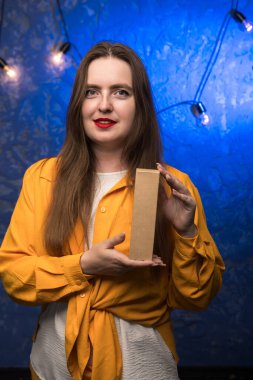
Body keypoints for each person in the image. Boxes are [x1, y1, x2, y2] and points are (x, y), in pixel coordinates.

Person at [0, 41, 225, 380]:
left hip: (142, 367)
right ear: (78, 104)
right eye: (92, 92)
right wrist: (83, 265)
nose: (103, 106)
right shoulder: (42, 177)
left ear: (140, 106)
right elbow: (14, 277)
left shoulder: (174, 186)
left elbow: (195, 298)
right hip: (54, 366)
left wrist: (186, 232)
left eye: (120, 92)